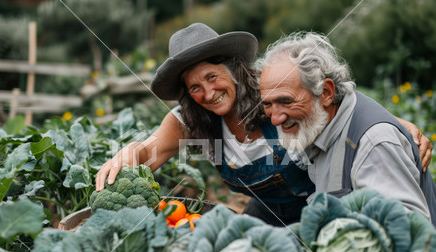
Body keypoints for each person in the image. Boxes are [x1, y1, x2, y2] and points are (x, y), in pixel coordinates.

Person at [96, 23, 433, 226]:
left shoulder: (273, 91)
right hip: (268, 211)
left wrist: (396, 125)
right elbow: (150, 152)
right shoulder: (190, 122)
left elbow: (338, 105)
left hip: (322, 205)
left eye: (212, 77)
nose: (208, 93)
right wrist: (129, 154)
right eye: (194, 87)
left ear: (233, 69)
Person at [257, 31, 436, 225]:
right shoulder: (314, 126)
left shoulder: (373, 144)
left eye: (286, 101)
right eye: (267, 104)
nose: (275, 119)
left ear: (326, 92)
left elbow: (411, 231)